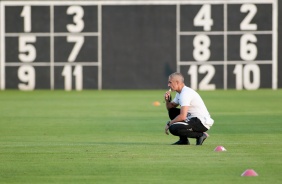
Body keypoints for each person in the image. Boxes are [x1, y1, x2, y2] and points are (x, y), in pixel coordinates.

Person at [163, 72, 214, 145]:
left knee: (173, 128)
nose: (168, 85)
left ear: (177, 82)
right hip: (192, 119)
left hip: (200, 122)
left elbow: (182, 116)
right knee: (172, 112)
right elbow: (170, 107)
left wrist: (169, 124)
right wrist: (167, 100)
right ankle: (184, 140)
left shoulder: (185, 94)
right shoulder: (180, 93)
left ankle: (201, 135)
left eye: (170, 82)